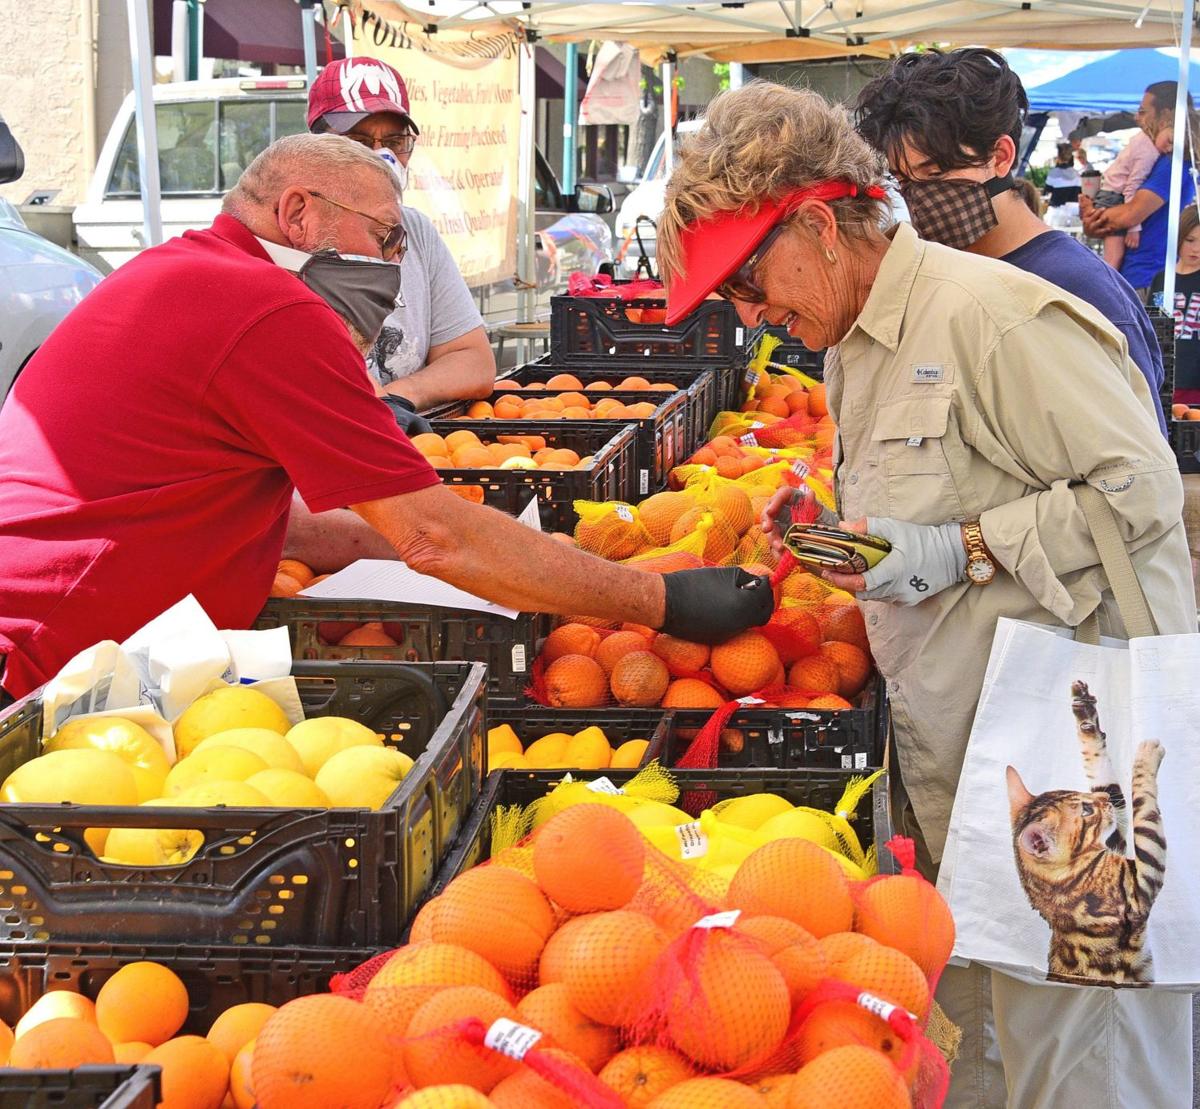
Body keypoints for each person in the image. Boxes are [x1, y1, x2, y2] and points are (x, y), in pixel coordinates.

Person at [657, 80, 1195, 1109]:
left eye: (747, 279)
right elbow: (950, 507)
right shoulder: (859, 342)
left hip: (1076, 770)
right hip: (980, 759)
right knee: (1013, 1047)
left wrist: (957, 547)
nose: (750, 314)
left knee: (1094, 1068)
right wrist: (859, 543)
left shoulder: (992, 318)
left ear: (816, 224)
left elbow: (1142, 493)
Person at [0, 134, 771, 704]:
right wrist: (661, 601)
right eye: (383, 234)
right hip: (52, 667)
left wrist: (538, 554)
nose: (394, 262)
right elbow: (433, 534)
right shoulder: (269, 310)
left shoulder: (193, 273)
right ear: (298, 213)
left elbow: (288, 522)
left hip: (74, 650)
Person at [855, 48, 1168, 436]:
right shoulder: (936, 275)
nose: (919, 197)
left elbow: (1141, 480)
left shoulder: (1079, 291)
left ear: (1001, 156)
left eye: (935, 171)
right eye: (902, 183)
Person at [307, 57, 496, 416]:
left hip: (412, 448)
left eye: (395, 141)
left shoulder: (417, 232)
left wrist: (399, 398)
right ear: (315, 147)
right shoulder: (294, 237)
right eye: (357, 140)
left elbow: (474, 360)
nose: (381, 156)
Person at [1082, 80, 1198, 300]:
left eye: (1143, 112)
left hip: (1149, 279)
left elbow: (1130, 214)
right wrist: (1096, 221)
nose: (1137, 117)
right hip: (1145, 275)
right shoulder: (1167, 157)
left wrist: (1094, 216)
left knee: (1149, 334)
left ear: (1166, 114)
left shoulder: (1172, 162)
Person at [1093, 121, 1174, 270]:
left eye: (1173, 147)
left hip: (1110, 195)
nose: (1169, 148)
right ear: (1163, 125)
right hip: (1113, 197)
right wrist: (1134, 228)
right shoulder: (1148, 153)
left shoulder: (1141, 138)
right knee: (1113, 259)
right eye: (1170, 141)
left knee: (1113, 258)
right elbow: (1131, 188)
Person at [1151, 203, 1200, 404]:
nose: (1196, 248)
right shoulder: (1162, 280)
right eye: (1190, 240)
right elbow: (1152, 325)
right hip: (1166, 377)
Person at [1044, 142, 1082, 207]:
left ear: (1058, 156)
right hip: (1074, 210)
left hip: (1057, 209)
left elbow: (1047, 190)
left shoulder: (1053, 173)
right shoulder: (1077, 174)